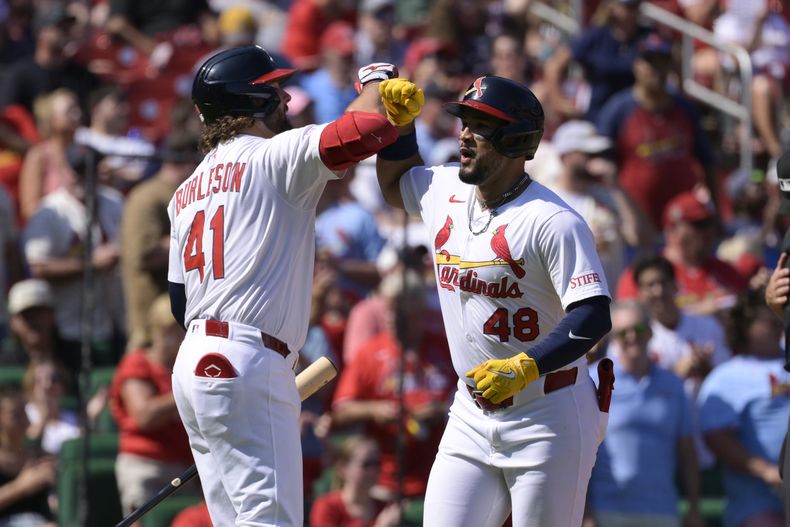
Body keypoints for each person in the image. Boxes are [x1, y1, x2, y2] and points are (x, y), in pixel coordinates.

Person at [167, 46, 402, 526]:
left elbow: (178, 302)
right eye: (275, 91)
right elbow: (370, 127)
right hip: (248, 357)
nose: (287, 99)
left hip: (195, 361)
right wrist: (377, 78)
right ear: (250, 100)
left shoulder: (184, 191)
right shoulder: (273, 155)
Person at [374, 71, 613, 526]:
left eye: (480, 125)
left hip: (549, 411)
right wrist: (399, 126)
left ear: (514, 139)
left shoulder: (554, 220)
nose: (464, 133)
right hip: (471, 409)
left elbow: (593, 314)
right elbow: (395, 183)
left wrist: (525, 366)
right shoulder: (444, 189)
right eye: (464, 120)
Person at [585, 300, 703, 527]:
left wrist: (694, 508)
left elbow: (687, 453)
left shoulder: (673, 385)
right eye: (622, 332)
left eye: (638, 329)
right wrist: (586, 512)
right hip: (607, 512)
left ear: (650, 332)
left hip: (662, 511)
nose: (631, 337)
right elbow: (581, 450)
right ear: (613, 337)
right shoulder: (594, 379)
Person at [698, 291, 789, 527]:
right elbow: (717, 438)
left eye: (779, 317)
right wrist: (768, 471)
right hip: (758, 505)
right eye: (767, 319)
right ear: (745, 325)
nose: (777, 324)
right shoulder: (725, 377)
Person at [110, 294, 196, 517]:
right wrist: (191, 389)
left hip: (183, 467)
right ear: (161, 331)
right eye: (177, 331)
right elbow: (144, 415)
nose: (182, 338)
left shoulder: (184, 367)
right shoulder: (137, 363)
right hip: (146, 467)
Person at [121, 129, 200, 350]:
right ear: (184, 160)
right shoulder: (147, 197)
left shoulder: (181, 194)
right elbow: (143, 256)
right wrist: (199, 238)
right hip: (151, 334)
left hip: (179, 330)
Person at [309, 435, 402, 527]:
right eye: (366, 464)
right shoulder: (326, 507)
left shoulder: (385, 509)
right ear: (343, 468)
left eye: (377, 463)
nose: (373, 470)